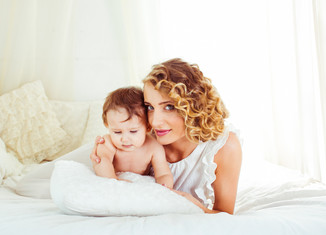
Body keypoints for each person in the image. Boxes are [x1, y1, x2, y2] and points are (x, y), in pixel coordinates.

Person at [91, 58, 242, 214]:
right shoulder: (139, 137)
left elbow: (225, 216)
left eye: (169, 107)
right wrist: (102, 154)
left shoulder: (223, 147)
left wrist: (195, 207)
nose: (155, 122)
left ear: (194, 106)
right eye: (150, 107)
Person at [92, 86, 173, 188]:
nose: (125, 139)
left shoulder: (154, 147)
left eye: (133, 131)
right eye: (117, 132)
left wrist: (164, 188)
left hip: (139, 186)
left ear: (148, 127)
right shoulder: (108, 142)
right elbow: (102, 162)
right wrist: (114, 182)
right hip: (113, 182)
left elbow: (163, 174)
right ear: (107, 125)